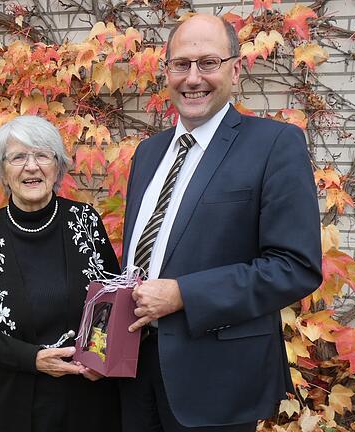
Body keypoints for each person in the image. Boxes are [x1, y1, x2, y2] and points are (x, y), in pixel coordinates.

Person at [120, 14, 323, 432]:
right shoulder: (148, 153)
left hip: (216, 378)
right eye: (181, 64)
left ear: (235, 68)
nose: (193, 78)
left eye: (208, 63)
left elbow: (295, 266)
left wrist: (184, 295)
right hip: (134, 370)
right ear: (167, 71)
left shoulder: (273, 144)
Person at [0, 115, 121, 432]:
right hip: (13, 402)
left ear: (57, 165)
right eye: (18, 157)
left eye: (42, 155)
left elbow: (114, 302)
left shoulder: (85, 221)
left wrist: (102, 357)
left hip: (88, 399)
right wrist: (32, 359)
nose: (32, 166)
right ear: (3, 170)